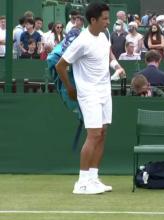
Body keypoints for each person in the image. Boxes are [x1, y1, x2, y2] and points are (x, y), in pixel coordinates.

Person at [55, 2, 126, 195]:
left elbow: (109, 53)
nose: (108, 22)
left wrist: (117, 66)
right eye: (104, 18)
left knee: (102, 133)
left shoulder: (103, 36)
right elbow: (60, 65)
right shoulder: (82, 41)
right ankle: (82, 182)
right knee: (94, 134)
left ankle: (93, 179)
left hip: (104, 91)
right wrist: (70, 89)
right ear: (93, 20)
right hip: (88, 93)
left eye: (108, 18)